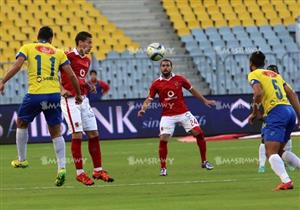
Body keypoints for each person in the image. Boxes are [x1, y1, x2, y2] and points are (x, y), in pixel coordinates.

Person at [0, 26, 82, 186]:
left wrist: (3, 81)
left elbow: (17, 66)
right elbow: (71, 75)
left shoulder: (28, 47)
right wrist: (78, 94)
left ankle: (22, 159)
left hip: (35, 95)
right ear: (51, 39)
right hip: (53, 96)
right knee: (56, 132)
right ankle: (62, 168)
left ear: (38, 37)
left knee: (21, 122)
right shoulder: (58, 52)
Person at [138, 58, 216, 176]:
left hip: (183, 113)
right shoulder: (156, 83)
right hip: (167, 116)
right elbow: (149, 99)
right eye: (163, 65)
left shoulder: (179, 79)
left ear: (171, 67)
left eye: (168, 65)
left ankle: (204, 161)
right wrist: (143, 109)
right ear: (160, 68)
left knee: (199, 133)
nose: (165, 67)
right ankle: (163, 168)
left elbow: (192, 90)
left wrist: (204, 101)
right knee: (163, 139)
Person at [60, 31, 114, 186]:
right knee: (77, 134)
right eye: (89, 42)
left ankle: (98, 170)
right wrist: (61, 90)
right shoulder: (67, 56)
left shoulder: (87, 60)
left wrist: (88, 84)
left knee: (94, 134)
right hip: (70, 100)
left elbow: (79, 78)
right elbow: (53, 74)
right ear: (81, 42)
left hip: (83, 100)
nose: (91, 45)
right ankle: (80, 173)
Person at [248, 51, 300, 191]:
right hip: (289, 111)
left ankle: (286, 181)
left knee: (270, 152)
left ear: (251, 65)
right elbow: (292, 94)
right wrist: (299, 116)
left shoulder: (254, 74)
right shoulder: (276, 75)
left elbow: (258, 93)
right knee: (282, 151)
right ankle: (286, 179)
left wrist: (254, 111)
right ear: (264, 63)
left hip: (276, 112)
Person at [257, 64, 293, 173]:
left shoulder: (268, 83)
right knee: (265, 140)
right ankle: (262, 165)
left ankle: (286, 163)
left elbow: (257, 99)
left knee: (284, 139)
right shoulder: (281, 83)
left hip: (277, 114)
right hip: (277, 114)